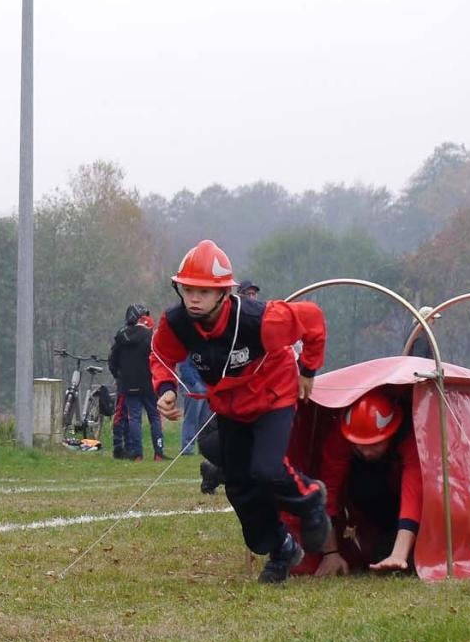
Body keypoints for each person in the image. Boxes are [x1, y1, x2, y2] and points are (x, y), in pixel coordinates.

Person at [150, 239, 333, 584]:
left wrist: (308, 369)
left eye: (203, 291)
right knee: (239, 489)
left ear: (223, 293)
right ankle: (282, 548)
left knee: (265, 470)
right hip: (230, 408)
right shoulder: (177, 323)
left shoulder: (260, 319)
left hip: (273, 397)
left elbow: (313, 319)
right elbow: (160, 356)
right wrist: (165, 389)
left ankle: (310, 498)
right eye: (188, 289)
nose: (193, 298)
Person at [307, 387, 422, 576]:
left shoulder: (410, 436)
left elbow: (414, 492)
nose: (367, 451)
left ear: (391, 433)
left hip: (404, 496)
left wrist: (398, 555)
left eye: (375, 444)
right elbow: (328, 492)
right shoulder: (342, 437)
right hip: (368, 495)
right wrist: (330, 553)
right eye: (361, 445)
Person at [108, 305, 166, 460]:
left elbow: (113, 361)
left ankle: (137, 454)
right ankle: (158, 453)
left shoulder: (121, 337)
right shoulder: (151, 337)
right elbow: (160, 358)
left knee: (134, 418)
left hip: (128, 384)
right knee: (155, 417)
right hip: (149, 383)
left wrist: (120, 376)